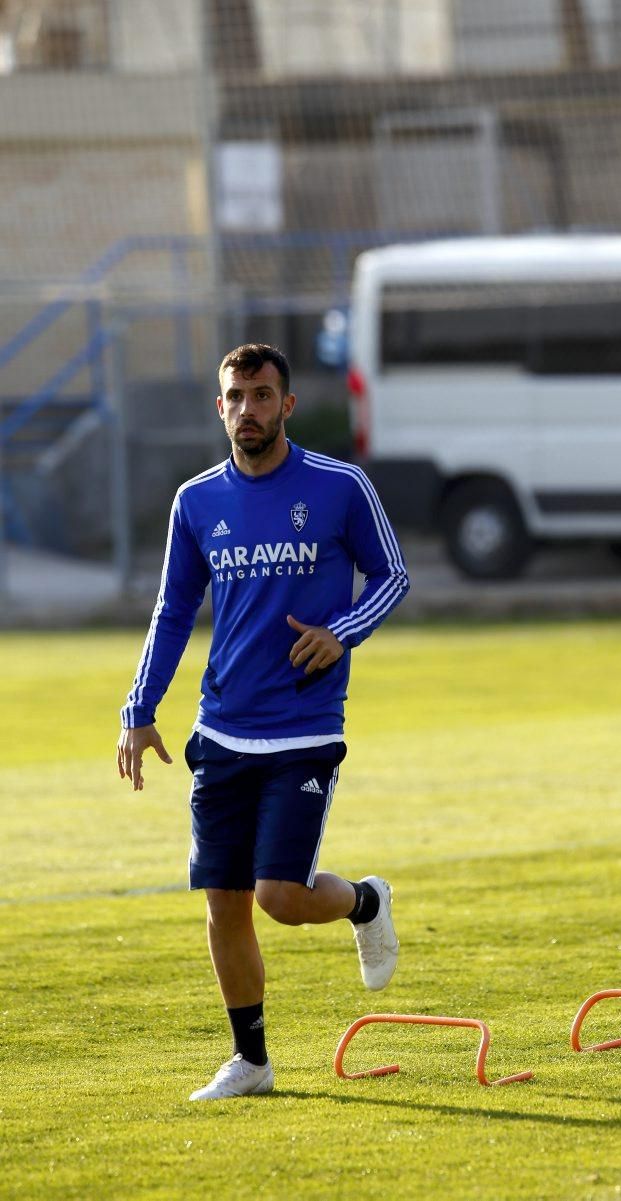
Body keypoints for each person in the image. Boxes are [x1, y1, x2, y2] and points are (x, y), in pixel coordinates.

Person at [117, 343, 409, 1101]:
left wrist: (340, 630)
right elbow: (173, 610)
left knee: (279, 896)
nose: (248, 408)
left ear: (287, 404)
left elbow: (393, 575)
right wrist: (138, 710)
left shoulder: (340, 485)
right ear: (221, 408)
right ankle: (251, 1061)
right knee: (224, 901)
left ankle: (366, 901)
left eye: (262, 394)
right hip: (223, 730)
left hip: (306, 726)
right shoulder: (195, 501)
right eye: (235, 396)